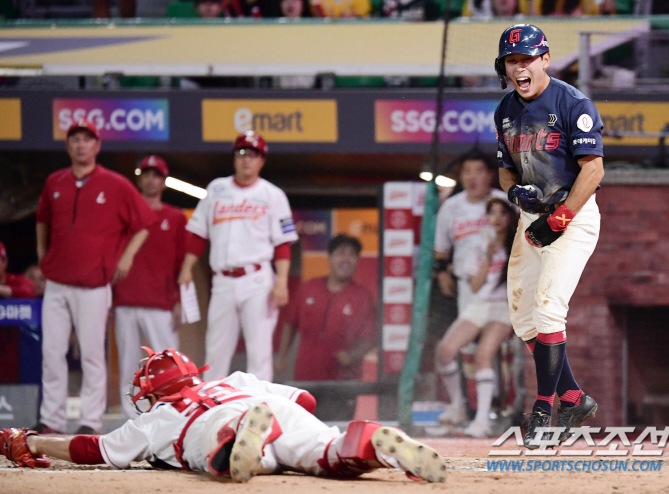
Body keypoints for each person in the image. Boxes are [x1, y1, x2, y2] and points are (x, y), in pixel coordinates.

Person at [0, 348, 447, 484]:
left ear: (152, 390)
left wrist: (34, 442)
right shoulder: (234, 377)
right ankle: (371, 443)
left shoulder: (158, 416)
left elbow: (90, 448)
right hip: (270, 406)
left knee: (231, 455)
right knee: (325, 452)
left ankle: (241, 444)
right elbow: (306, 401)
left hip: (211, 424)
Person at [494, 24, 604, 448]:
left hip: (572, 216)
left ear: (545, 59)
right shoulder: (505, 109)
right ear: (503, 66)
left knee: (547, 309)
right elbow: (505, 166)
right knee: (523, 319)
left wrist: (560, 219)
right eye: (512, 60)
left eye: (526, 59)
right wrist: (511, 190)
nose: (520, 67)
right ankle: (573, 397)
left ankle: (544, 408)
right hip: (531, 218)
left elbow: (593, 170)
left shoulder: (573, 101)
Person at [35, 119, 157, 435]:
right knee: (51, 352)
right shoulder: (55, 182)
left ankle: (90, 420)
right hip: (58, 282)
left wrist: (127, 256)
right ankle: (52, 419)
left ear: (97, 146)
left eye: (86, 140)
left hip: (93, 284)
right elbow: (42, 219)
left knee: (91, 354)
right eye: (74, 139)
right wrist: (42, 254)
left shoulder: (115, 184)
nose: (80, 145)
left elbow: (144, 221)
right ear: (68, 146)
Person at [178, 131, 298, 383]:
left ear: (262, 161)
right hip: (222, 280)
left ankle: (260, 411)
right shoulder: (216, 188)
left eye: (253, 155)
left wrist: (282, 281)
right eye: (242, 153)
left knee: (259, 351)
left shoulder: (272, 194)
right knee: (215, 350)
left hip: (257, 279)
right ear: (234, 157)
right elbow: (199, 233)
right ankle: (210, 411)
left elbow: (283, 244)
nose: (247, 160)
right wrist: (187, 266)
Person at [433, 152, 507, 426]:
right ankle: (461, 406)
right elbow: (440, 248)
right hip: (469, 286)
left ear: (490, 174)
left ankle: (493, 409)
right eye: (466, 171)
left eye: (479, 171)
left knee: (489, 351)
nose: (472, 177)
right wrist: (442, 272)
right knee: (463, 349)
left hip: (503, 291)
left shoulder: (504, 202)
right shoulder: (451, 207)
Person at [113, 156, 188, 419]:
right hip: (125, 299)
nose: (151, 179)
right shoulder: (123, 218)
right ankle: (132, 420)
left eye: (156, 175)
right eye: (146, 174)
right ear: (139, 179)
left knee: (170, 366)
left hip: (161, 302)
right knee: (128, 367)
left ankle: (173, 417)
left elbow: (183, 263)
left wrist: (180, 300)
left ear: (165, 181)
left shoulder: (176, 217)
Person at [438, 197, 517, 438]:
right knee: (445, 350)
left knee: (483, 354)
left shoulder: (521, 244)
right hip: (480, 303)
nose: (496, 219)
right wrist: (488, 258)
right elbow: (474, 285)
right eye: (491, 214)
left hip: (505, 306)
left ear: (510, 217)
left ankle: (482, 421)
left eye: (502, 214)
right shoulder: (481, 243)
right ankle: (459, 406)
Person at [275, 234, 376, 381]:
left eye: (352, 255)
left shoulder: (363, 297)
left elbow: (370, 338)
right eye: (341, 253)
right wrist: (282, 357)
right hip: (305, 376)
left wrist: (351, 356)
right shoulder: (309, 288)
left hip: (343, 381)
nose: (346, 259)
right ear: (330, 258)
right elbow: (290, 324)